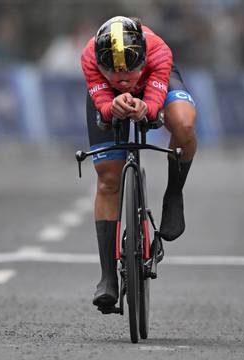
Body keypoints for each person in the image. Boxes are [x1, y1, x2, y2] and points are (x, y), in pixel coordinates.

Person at [81, 16, 196, 313]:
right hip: (107, 98)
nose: (123, 78)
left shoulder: (158, 50)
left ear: (142, 56)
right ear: (98, 60)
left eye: (130, 68)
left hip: (156, 86)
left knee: (183, 125)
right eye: (112, 70)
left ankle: (174, 193)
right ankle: (107, 276)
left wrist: (149, 107)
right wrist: (110, 108)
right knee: (108, 181)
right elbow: (103, 102)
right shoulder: (89, 56)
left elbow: (156, 101)